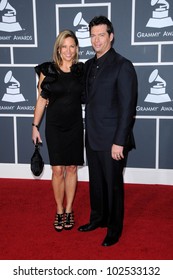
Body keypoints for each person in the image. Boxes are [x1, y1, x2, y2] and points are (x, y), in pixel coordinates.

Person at [78, 16, 138, 246]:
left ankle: (114, 229)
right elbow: (84, 96)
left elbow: (127, 108)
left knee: (113, 186)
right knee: (96, 183)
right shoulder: (90, 65)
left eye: (101, 34)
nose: (96, 40)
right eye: (93, 35)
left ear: (111, 36)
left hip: (113, 139)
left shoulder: (123, 66)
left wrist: (119, 141)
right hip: (92, 135)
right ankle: (98, 218)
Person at [32, 30, 84, 232]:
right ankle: (59, 209)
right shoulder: (49, 70)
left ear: (77, 48)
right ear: (58, 48)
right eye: (64, 46)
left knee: (71, 168)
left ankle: (69, 208)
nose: (68, 50)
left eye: (72, 46)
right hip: (54, 126)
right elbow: (42, 100)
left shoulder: (81, 70)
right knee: (57, 170)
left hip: (74, 126)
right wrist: (35, 126)